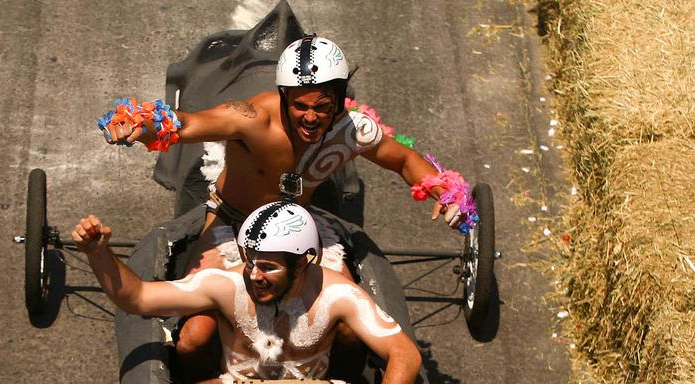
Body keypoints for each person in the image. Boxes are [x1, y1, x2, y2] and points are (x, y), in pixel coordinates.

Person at [96, 35, 478, 358]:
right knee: (193, 339)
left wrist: (446, 192)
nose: (311, 118)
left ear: (340, 101)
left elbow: (406, 159)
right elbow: (188, 123)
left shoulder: (352, 130)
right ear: (283, 97)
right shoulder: (251, 118)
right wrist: (143, 124)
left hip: (299, 229)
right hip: (230, 223)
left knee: (346, 330)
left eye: (323, 108)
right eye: (300, 106)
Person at [71, 201, 423, 384]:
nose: (253, 275)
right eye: (249, 260)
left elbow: (405, 353)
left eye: (268, 266)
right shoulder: (224, 283)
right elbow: (138, 297)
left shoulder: (338, 294)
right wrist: (98, 253)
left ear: (302, 263)